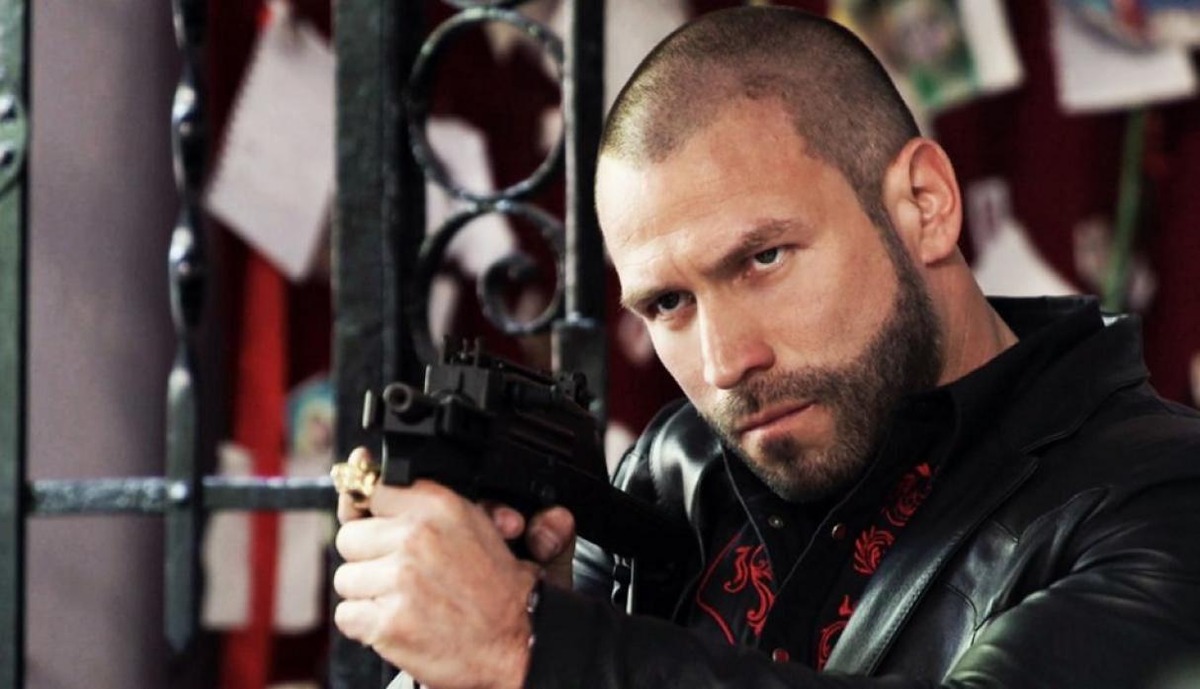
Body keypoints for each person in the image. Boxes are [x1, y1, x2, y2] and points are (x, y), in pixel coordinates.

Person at [332, 6, 1200, 688]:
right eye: (668, 302)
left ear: (925, 204)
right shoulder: (678, 469)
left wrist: (529, 644)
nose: (724, 363)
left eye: (763, 259)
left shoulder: (1165, 495)